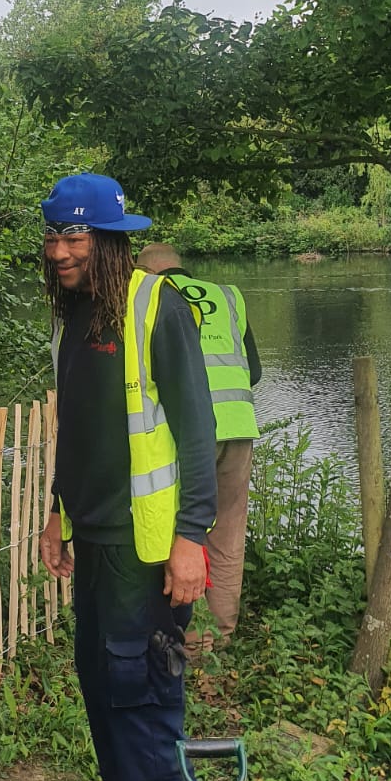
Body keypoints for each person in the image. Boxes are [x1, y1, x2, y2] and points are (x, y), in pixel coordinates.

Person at [37, 174, 217, 781]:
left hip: (148, 534)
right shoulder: (76, 314)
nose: (59, 251)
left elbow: (197, 433)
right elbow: (76, 428)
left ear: (110, 240)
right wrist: (59, 513)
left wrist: (191, 537)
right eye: (53, 235)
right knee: (96, 666)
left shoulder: (156, 308)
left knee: (142, 670)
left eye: (74, 236)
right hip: (94, 527)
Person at [137, 242, 261, 647]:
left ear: (150, 274)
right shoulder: (228, 296)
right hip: (238, 428)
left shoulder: (151, 301)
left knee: (179, 531)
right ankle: (218, 638)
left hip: (185, 433)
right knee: (226, 535)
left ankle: (178, 637)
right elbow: (253, 370)